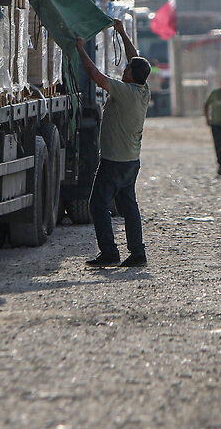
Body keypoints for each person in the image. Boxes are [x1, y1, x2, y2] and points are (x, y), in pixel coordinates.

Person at [75, 19, 152, 268]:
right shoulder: (143, 90)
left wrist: (80, 49)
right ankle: (137, 253)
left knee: (97, 205)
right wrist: (122, 32)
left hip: (114, 161)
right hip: (131, 161)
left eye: (127, 69)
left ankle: (109, 252)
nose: (125, 69)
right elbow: (136, 59)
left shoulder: (123, 90)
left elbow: (96, 76)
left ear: (130, 75)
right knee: (129, 206)